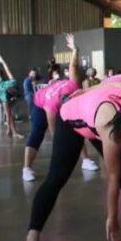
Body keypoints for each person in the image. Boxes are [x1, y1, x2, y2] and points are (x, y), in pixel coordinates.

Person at [24, 78, 121, 241]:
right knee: (56, 178)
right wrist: (112, 218)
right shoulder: (110, 123)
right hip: (72, 121)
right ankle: (31, 239)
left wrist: (86, 90)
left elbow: (111, 81)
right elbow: (112, 176)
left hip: (95, 115)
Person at [23, 36, 82, 181]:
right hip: (40, 104)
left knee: (76, 129)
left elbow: (73, 66)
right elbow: (54, 132)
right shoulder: (53, 105)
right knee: (38, 132)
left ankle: (85, 160)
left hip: (52, 99)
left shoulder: (73, 85)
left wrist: (75, 50)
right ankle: (26, 168)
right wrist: (60, 146)